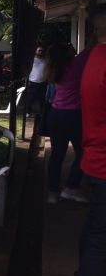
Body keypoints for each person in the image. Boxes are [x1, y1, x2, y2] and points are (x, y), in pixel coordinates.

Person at [75, 5, 106, 276]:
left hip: (95, 156)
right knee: (101, 239)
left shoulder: (94, 57)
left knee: (95, 233)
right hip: (102, 159)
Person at [45, 42, 90, 204]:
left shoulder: (55, 68)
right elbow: (91, 46)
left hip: (55, 115)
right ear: (67, 53)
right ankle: (71, 187)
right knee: (83, 152)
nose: (73, 47)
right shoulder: (75, 65)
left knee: (57, 155)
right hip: (72, 116)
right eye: (70, 46)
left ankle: (52, 193)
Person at [25, 45, 48, 117]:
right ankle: (28, 112)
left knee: (42, 98)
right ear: (36, 51)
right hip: (32, 82)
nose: (41, 52)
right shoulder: (32, 60)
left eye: (42, 51)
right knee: (30, 98)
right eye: (39, 50)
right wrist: (27, 80)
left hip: (43, 82)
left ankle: (42, 112)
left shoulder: (45, 60)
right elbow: (27, 71)